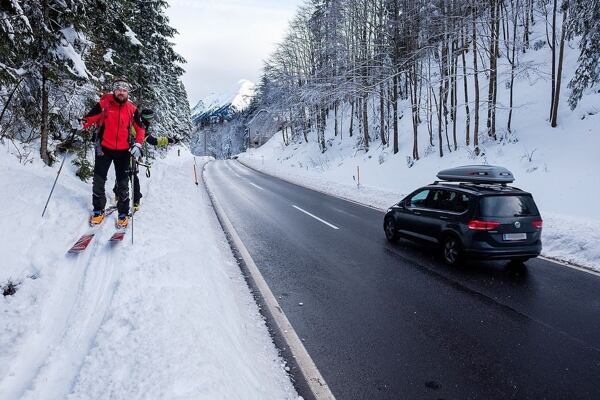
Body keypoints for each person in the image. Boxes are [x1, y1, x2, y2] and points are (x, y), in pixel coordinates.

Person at [82, 78, 145, 228]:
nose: (121, 92)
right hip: (104, 149)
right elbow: (89, 118)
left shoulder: (132, 109)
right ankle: (98, 210)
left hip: (124, 151)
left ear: (127, 92)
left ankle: (123, 213)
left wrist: (138, 143)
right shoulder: (104, 104)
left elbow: (140, 128)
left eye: (124, 90)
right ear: (114, 91)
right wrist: (81, 123)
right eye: (119, 89)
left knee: (123, 183)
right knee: (98, 181)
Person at [112, 108, 179, 212]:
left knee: (121, 174)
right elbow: (153, 141)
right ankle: (135, 201)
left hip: (120, 151)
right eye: (151, 118)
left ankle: (118, 195)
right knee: (133, 176)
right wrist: (170, 140)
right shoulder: (140, 126)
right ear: (146, 118)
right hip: (129, 152)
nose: (152, 120)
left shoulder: (135, 121)